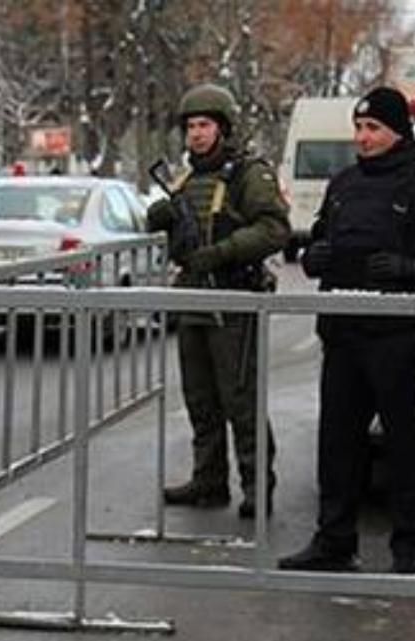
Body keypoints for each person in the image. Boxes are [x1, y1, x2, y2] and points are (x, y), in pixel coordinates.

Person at [277, 86, 415, 575]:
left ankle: (411, 548)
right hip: (343, 333)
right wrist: (313, 257)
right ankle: (334, 540)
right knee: (338, 442)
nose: (363, 138)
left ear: (398, 132)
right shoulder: (344, 183)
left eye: (373, 129)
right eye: (359, 128)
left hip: (398, 335)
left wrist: (413, 268)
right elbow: (320, 240)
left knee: (405, 444)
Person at [146, 83, 291, 520]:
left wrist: (223, 252)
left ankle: (256, 486)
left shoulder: (249, 175)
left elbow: (274, 228)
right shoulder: (187, 178)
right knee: (200, 398)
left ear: (224, 128)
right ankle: (208, 480)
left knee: (240, 399)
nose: (196, 134)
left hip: (234, 299)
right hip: (193, 297)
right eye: (190, 126)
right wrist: (161, 222)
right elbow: (181, 242)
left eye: (205, 125)